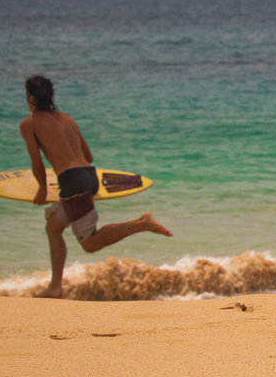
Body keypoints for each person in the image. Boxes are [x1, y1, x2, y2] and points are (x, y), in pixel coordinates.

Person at [19, 75, 172, 298]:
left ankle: (142, 223)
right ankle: (55, 287)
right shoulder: (67, 119)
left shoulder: (29, 124)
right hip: (90, 176)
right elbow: (88, 156)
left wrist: (42, 190)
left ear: (31, 98)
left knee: (89, 243)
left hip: (72, 183)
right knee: (53, 227)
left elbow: (37, 163)